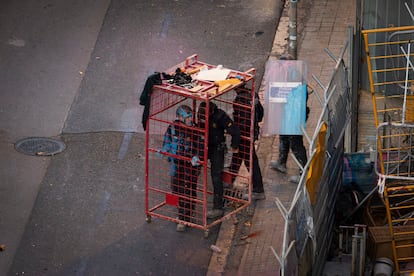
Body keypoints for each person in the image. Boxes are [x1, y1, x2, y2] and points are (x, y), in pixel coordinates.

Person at [161, 105, 202, 232]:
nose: (190, 119)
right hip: (176, 163)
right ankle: (182, 212)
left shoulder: (195, 130)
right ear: (179, 117)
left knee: (189, 188)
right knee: (177, 188)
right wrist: (165, 151)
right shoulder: (173, 127)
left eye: (190, 116)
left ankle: (185, 216)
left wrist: (197, 157)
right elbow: (167, 141)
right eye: (187, 117)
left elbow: (200, 146)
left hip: (190, 165)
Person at [269, 54, 309, 183]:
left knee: (296, 144)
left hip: (293, 117)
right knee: (284, 138)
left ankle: (304, 172)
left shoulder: (292, 77)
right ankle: (281, 162)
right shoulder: (291, 75)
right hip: (287, 115)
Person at [197, 101, 240, 219]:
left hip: (217, 148)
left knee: (216, 176)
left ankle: (218, 207)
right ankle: (188, 203)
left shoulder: (220, 116)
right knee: (193, 170)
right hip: (203, 146)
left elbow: (235, 131)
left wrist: (234, 146)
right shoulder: (201, 114)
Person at [229, 86, 265, 200]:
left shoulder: (241, 101)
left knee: (250, 161)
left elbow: (242, 123)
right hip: (250, 133)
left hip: (244, 135)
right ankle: (229, 180)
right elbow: (260, 114)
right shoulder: (253, 95)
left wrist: (236, 138)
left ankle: (258, 189)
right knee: (237, 158)